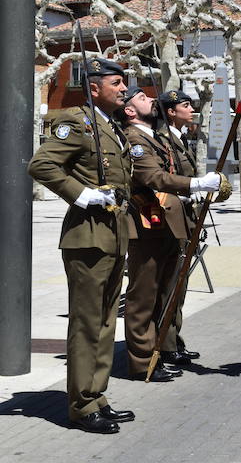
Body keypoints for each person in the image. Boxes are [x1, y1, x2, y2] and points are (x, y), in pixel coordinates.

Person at [28, 58, 134, 434]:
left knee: (106, 323)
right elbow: (42, 165)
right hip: (87, 236)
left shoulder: (111, 126)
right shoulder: (77, 121)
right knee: (87, 323)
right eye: (117, 83)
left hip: (112, 233)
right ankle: (81, 405)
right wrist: (81, 195)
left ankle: (95, 395)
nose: (124, 89)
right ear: (94, 87)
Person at [117, 88, 220, 382]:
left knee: (164, 292)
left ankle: (159, 350)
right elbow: (153, 177)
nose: (151, 99)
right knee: (143, 297)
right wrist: (196, 184)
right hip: (145, 223)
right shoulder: (134, 139)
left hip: (165, 221)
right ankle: (143, 362)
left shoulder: (151, 137)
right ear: (129, 111)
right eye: (141, 98)